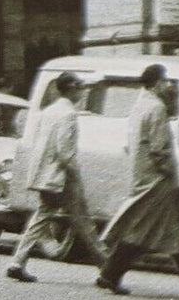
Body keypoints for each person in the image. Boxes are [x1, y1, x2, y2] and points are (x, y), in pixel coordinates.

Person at [97, 64, 179, 297]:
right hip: (157, 179)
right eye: (165, 81)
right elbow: (159, 147)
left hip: (143, 175)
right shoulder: (156, 107)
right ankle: (110, 273)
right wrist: (168, 170)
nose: (168, 85)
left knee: (167, 227)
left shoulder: (139, 106)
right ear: (155, 83)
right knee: (145, 229)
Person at [6, 72, 107, 283]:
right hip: (61, 177)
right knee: (84, 222)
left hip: (46, 175)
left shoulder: (49, 111)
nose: (82, 91)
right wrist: (75, 175)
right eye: (79, 87)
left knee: (42, 218)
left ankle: (17, 261)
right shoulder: (68, 114)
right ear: (71, 88)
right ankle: (108, 270)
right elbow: (64, 151)